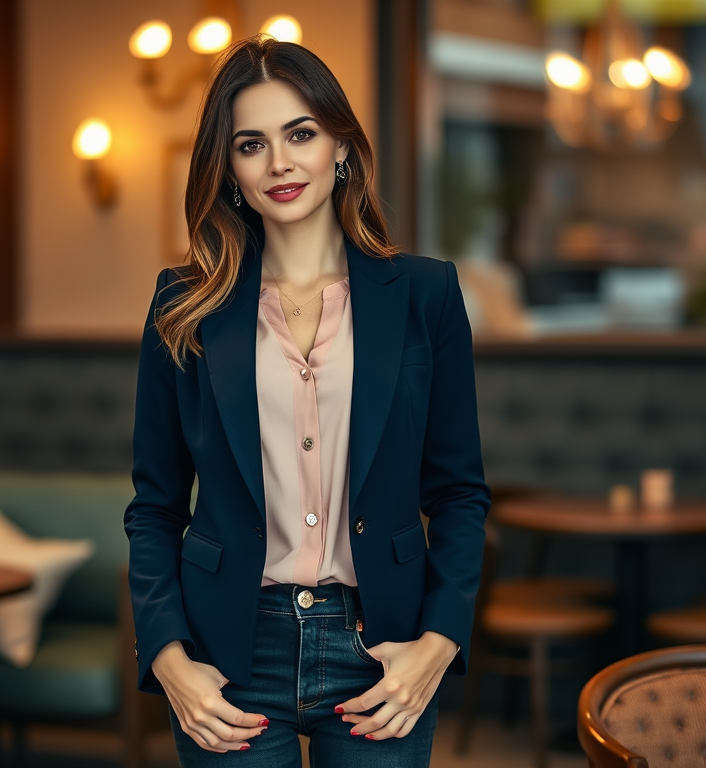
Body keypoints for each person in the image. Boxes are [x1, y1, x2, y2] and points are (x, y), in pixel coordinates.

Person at [125, 35, 489, 768]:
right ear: (228, 169)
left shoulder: (426, 296)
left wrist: (438, 645)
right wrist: (168, 657)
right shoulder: (184, 304)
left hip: (380, 648)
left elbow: (458, 495)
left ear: (341, 146)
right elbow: (155, 506)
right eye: (251, 144)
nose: (280, 163)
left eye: (301, 134)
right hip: (229, 652)